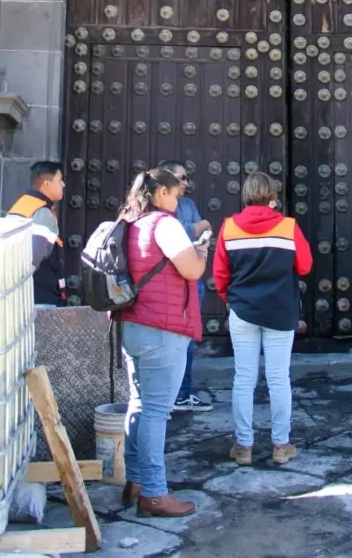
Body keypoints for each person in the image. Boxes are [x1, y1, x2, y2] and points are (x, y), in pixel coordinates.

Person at [119, 167, 208, 519]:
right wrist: (201, 252)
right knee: (157, 412)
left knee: (138, 405)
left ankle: (135, 481)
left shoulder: (131, 223)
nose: (177, 200)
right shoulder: (164, 224)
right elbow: (191, 270)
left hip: (135, 324)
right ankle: (154, 494)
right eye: (173, 194)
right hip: (163, 328)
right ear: (160, 195)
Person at [213, 172, 312, 466]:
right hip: (280, 310)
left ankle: (244, 446)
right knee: (279, 378)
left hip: (243, 310)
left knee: (243, 379)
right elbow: (305, 266)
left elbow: (220, 274)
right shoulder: (288, 227)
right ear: (272, 196)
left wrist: (230, 299)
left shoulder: (229, 228)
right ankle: (281, 445)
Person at [162, 161, 213, 412]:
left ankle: (182, 394)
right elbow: (182, 233)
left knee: (187, 341)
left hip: (193, 282)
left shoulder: (188, 205)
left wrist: (195, 231)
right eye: (181, 178)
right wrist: (197, 227)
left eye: (186, 178)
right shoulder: (155, 207)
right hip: (167, 285)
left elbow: (195, 236)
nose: (186, 183)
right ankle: (161, 396)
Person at [7, 161, 66, 306]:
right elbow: (35, 255)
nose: (63, 184)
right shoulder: (42, 212)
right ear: (46, 184)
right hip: (40, 294)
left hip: (24, 293)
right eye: (60, 180)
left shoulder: (23, 205)